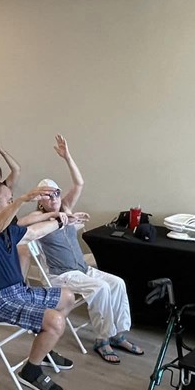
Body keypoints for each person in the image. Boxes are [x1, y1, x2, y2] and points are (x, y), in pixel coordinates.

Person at [33, 134, 141, 364]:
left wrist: (68, 157)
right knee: (101, 288)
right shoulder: (38, 219)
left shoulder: (67, 207)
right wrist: (58, 217)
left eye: (55, 194)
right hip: (61, 275)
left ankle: (118, 334)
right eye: (46, 196)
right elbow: (31, 228)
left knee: (118, 283)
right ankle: (102, 340)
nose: (53, 198)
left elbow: (79, 183)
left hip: (81, 268)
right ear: (39, 201)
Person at [0, 181, 76, 390]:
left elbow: (33, 231)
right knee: (55, 321)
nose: (11, 204)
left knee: (68, 297)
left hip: (19, 291)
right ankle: (30, 371)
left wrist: (63, 221)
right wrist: (23, 199)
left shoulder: (8, 229)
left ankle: (43, 349)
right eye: (8, 200)